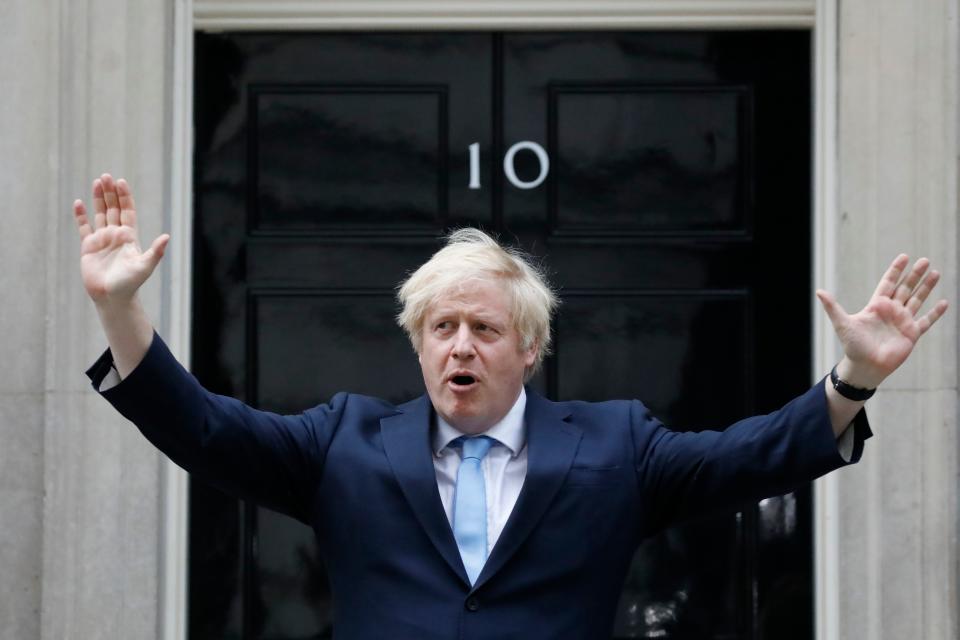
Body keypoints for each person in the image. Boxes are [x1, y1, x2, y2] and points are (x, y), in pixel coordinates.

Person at [73, 173, 948, 639]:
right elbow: (202, 430)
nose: (461, 346)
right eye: (441, 327)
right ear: (417, 344)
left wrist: (853, 379)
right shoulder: (340, 439)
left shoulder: (617, 446)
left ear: (530, 350)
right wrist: (120, 309)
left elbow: (745, 457)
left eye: (485, 329)